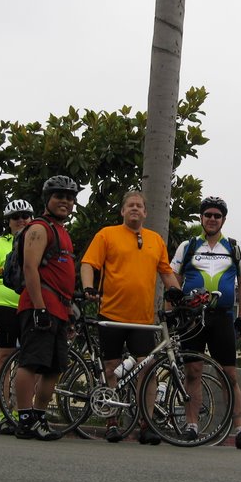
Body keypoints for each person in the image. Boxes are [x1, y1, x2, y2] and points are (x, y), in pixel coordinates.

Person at [80, 190, 181, 444]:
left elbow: (167, 273)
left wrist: (180, 296)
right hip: (111, 314)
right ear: (123, 211)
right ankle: (111, 421)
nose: (135, 209)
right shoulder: (107, 234)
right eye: (130, 206)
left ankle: (147, 425)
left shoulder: (155, 240)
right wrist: (88, 287)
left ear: (145, 213)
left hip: (143, 319)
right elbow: (88, 264)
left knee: (147, 370)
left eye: (139, 206)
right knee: (111, 368)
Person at [171, 195, 241, 450]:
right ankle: (191, 425)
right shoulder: (188, 246)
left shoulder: (233, 246)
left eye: (216, 216)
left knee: (229, 374)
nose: (211, 219)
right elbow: (173, 278)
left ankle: (240, 429)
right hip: (191, 318)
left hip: (222, 317)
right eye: (208, 214)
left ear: (223, 220)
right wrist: (171, 311)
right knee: (192, 372)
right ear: (201, 217)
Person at [13, 175, 79, 441]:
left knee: (54, 367)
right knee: (31, 362)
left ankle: (39, 417)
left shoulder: (62, 231)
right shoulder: (39, 228)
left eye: (70, 197)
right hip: (39, 305)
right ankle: (25, 419)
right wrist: (39, 307)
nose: (65, 201)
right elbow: (30, 268)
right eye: (59, 196)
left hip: (60, 308)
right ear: (47, 199)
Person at [0, 198, 34, 435]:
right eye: (15, 217)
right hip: (3, 306)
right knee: (3, 358)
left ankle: (25, 411)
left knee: (30, 362)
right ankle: (4, 412)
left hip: (29, 306)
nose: (21, 219)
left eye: (25, 215)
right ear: (9, 221)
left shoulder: (37, 242)